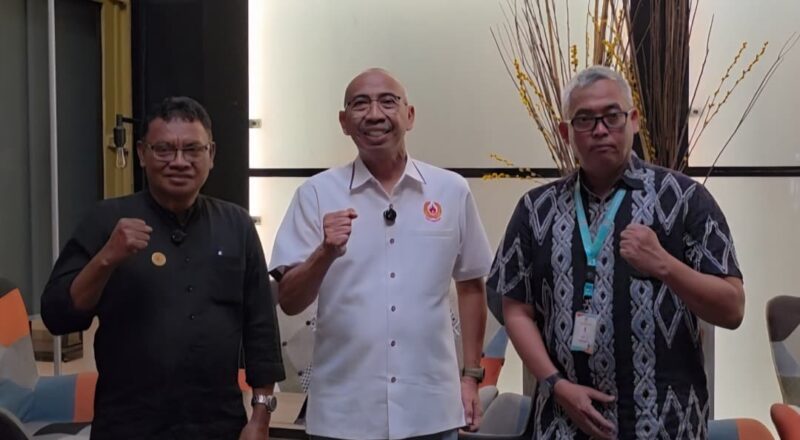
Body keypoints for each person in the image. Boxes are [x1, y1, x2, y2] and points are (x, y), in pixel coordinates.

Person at [488, 65, 745, 439]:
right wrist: (556, 383)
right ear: (565, 133)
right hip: (562, 423)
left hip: (667, 424)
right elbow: (515, 308)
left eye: (612, 116)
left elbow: (732, 308)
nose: (600, 129)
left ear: (634, 120)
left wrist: (664, 265)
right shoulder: (535, 209)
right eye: (584, 120)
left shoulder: (685, 199)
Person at [41, 96, 285, 440]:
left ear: (211, 154)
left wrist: (260, 417)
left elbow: (261, 328)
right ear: (142, 153)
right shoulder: (106, 220)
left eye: (192, 149)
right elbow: (58, 316)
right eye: (164, 150)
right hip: (128, 425)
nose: (179, 161)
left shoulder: (236, 225)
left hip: (217, 423)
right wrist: (106, 258)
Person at [270, 68, 493, 440]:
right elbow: (290, 301)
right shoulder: (315, 194)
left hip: (430, 410)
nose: (374, 114)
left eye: (388, 102)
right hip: (343, 413)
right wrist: (325, 253)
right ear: (344, 122)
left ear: (410, 115)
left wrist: (471, 377)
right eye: (360, 104)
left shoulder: (451, 190)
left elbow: (471, 285)